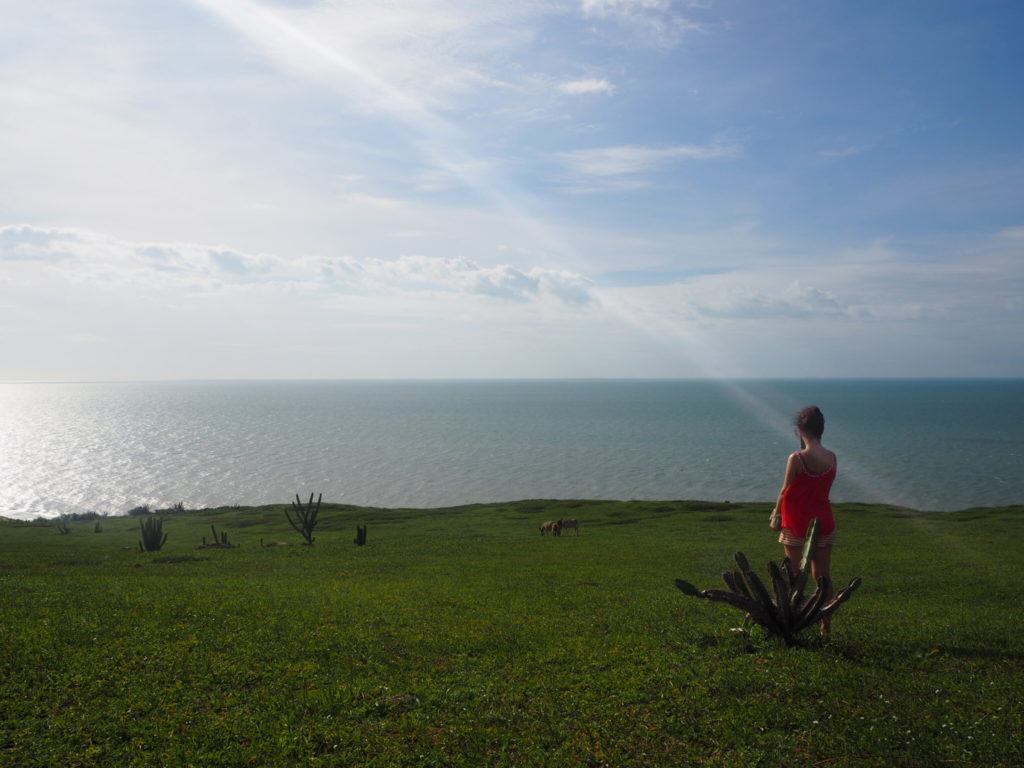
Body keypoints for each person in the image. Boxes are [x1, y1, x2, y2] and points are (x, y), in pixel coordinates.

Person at [770, 405, 837, 633]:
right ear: (822, 430)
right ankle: (825, 624)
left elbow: (785, 490)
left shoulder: (797, 458)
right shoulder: (832, 458)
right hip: (824, 521)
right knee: (823, 576)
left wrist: (775, 515)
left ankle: (792, 621)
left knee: (795, 575)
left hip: (796, 522)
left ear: (800, 430)